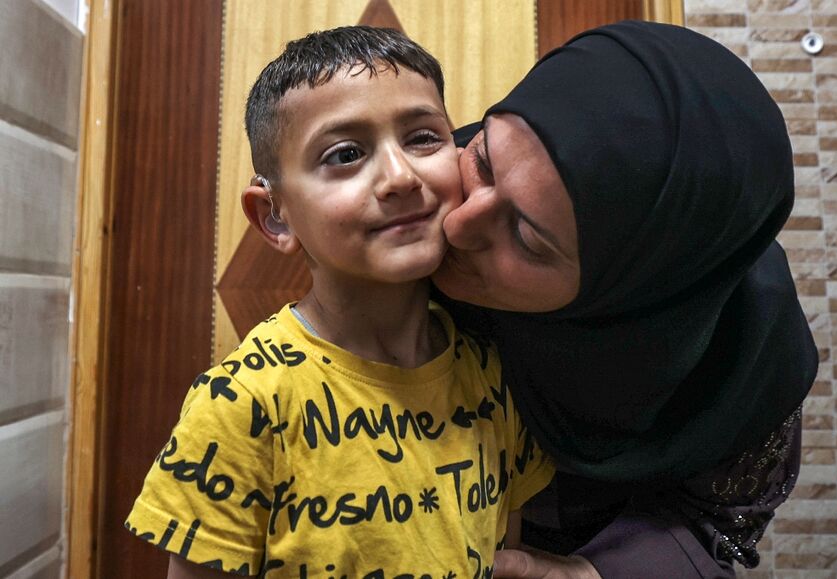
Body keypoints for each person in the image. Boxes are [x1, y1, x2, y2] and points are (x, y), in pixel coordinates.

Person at [125, 26, 553, 578]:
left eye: (423, 138)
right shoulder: (242, 405)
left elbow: (503, 560)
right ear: (276, 216)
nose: (400, 177)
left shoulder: (492, 373)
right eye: (346, 153)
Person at [431, 21, 819, 578]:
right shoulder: (414, 201)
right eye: (485, 162)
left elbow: (719, 521)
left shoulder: (746, 358)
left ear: (630, 292)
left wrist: (595, 573)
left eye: (527, 238)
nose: (459, 224)